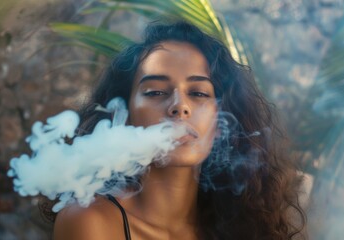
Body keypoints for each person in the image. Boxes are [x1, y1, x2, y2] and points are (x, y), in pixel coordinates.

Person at [43, 21, 306, 240]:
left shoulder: (243, 227)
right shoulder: (91, 223)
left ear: (220, 122)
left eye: (199, 93)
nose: (179, 107)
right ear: (125, 115)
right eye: (156, 92)